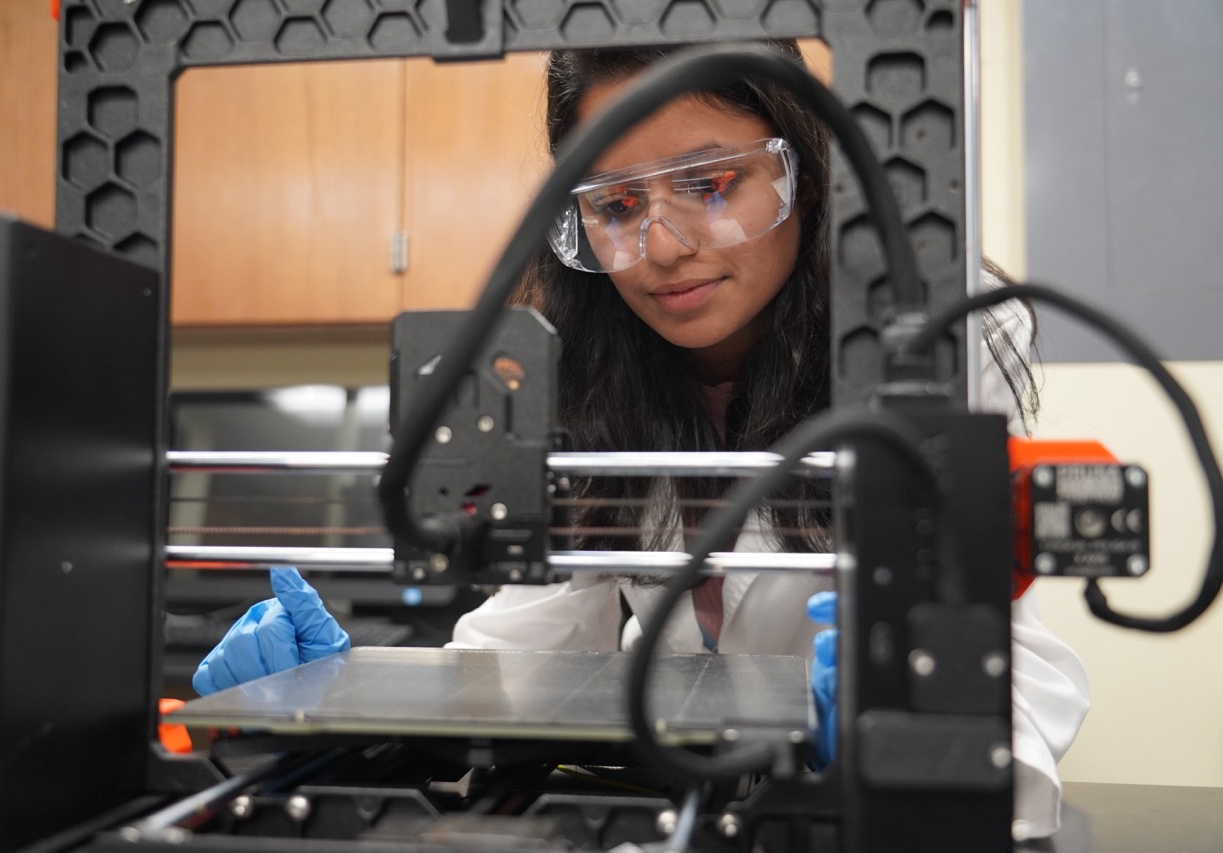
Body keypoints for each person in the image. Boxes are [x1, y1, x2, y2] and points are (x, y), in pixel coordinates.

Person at [191, 42, 1089, 838]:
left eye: (708, 184)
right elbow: (528, 645)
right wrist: (343, 698)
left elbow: (1002, 652)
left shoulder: (931, 327)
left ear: (801, 175)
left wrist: (918, 736)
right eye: (617, 204)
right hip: (665, 791)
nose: (660, 246)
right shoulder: (578, 358)